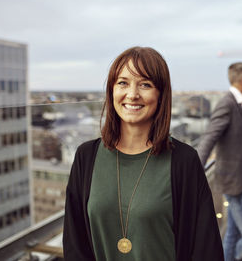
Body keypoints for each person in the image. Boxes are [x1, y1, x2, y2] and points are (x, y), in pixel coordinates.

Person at [62, 47, 224, 261]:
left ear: (161, 94)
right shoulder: (86, 157)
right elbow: (75, 243)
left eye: (145, 84)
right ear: (111, 91)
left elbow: (205, 248)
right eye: (123, 83)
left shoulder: (184, 161)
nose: (132, 94)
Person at [197, 62, 242, 261]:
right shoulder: (228, 103)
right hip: (236, 183)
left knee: (232, 235)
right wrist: (195, 169)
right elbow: (210, 137)